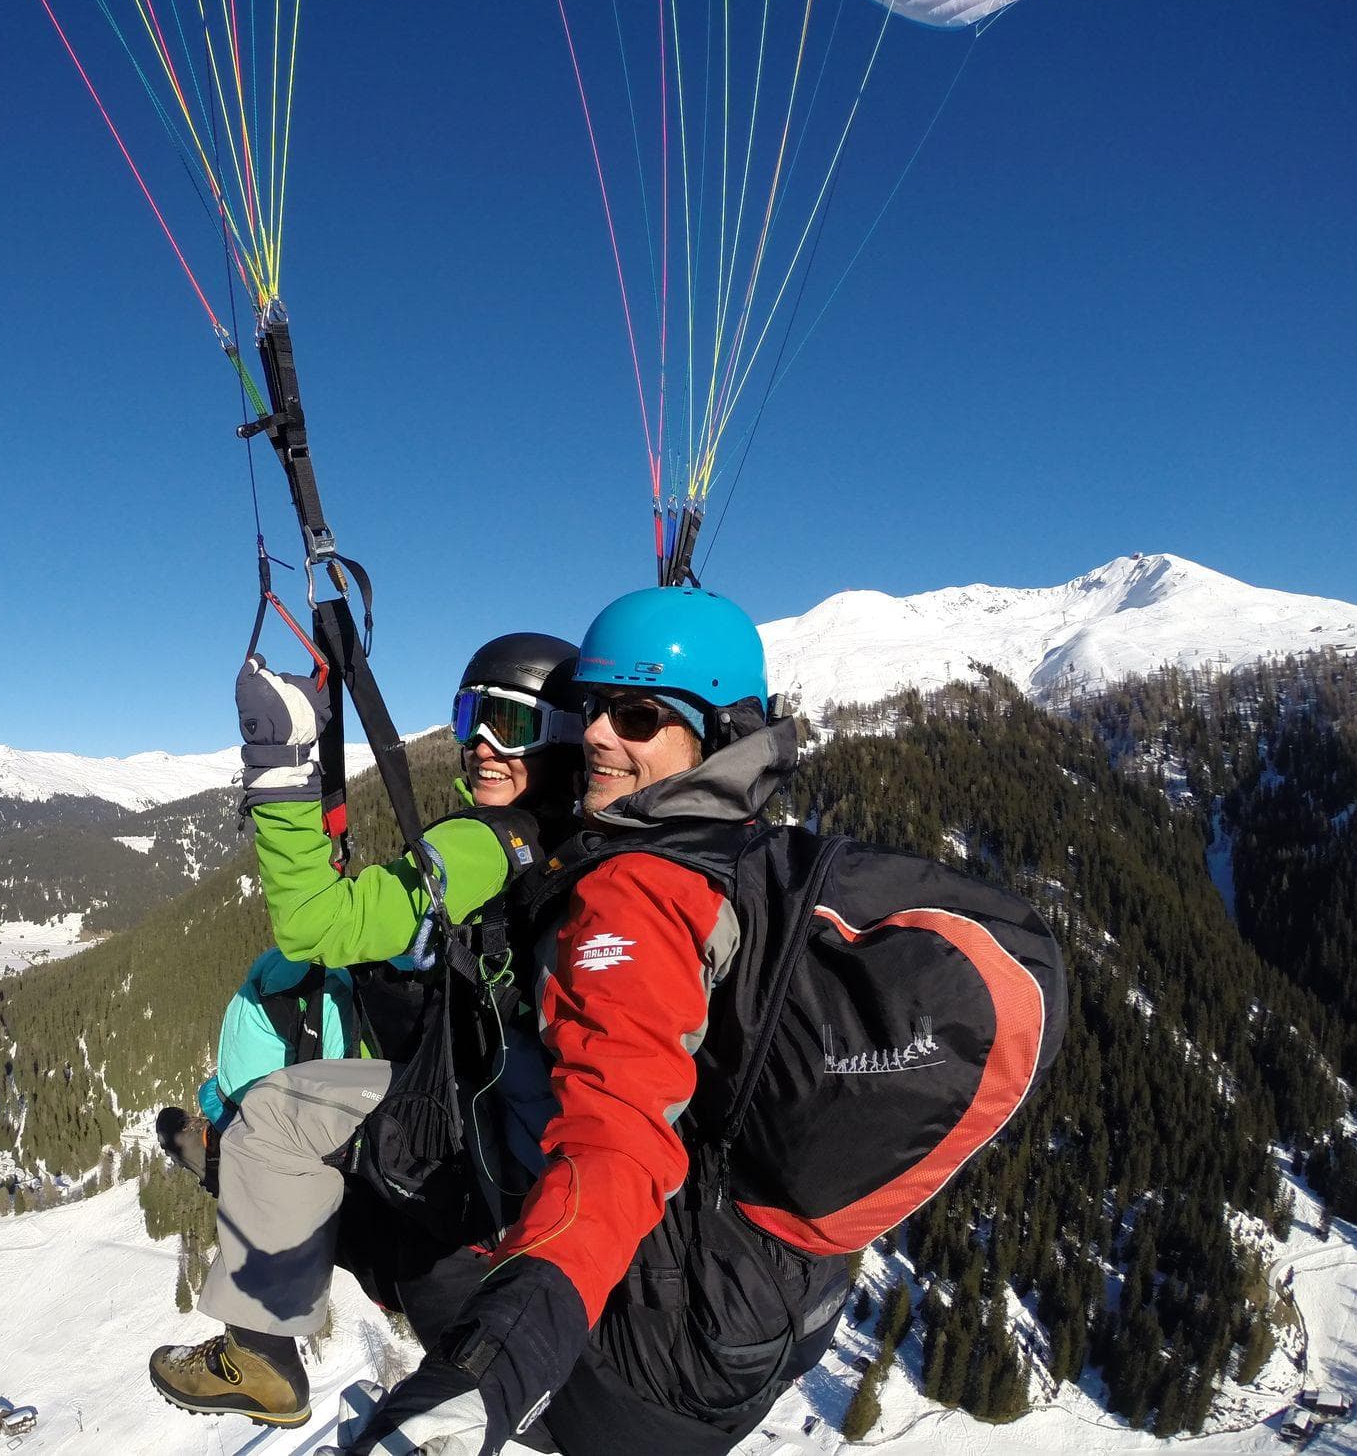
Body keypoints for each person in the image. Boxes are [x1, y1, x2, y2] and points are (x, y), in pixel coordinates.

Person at [328, 585, 850, 1456]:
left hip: (642, 1366)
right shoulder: (747, 850)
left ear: (716, 736)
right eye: (592, 710)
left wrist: (494, 1365)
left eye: (636, 716)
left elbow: (616, 1141)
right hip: (760, 1320)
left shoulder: (639, 894)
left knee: (404, 1223)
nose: (598, 735)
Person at [147, 633, 587, 1429]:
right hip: (518, 1108)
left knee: (273, 1111)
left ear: (560, 737)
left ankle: (261, 1352)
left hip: (474, 1124)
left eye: (510, 726)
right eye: (469, 717)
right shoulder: (567, 834)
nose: (481, 746)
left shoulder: (485, 841)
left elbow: (314, 925)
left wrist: (277, 764)